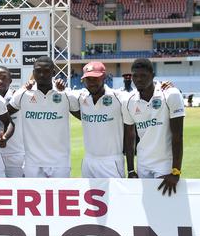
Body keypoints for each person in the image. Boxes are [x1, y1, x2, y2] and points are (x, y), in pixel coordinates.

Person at [8, 56, 79, 178]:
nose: (41, 74)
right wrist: (6, 133)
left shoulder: (65, 94)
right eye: (38, 71)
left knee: (59, 196)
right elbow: (4, 114)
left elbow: (85, 116)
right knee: (33, 197)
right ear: (33, 73)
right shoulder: (23, 93)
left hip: (60, 163)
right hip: (32, 163)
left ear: (53, 73)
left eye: (46, 71)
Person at [123, 58, 185, 195]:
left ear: (152, 75)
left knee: (164, 207)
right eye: (135, 76)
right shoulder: (128, 101)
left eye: (143, 75)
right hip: (143, 163)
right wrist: (131, 170)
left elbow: (178, 135)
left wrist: (176, 171)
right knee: (147, 209)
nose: (138, 79)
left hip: (164, 164)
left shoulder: (170, 95)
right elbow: (129, 137)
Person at [74, 62, 129, 178]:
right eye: (88, 79)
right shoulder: (81, 97)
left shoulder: (119, 97)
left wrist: (161, 86)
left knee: (115, 196)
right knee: (89, 196)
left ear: (104, 77)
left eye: (95, 78)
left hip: (111, 161)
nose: (91, 83)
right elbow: (63, 95)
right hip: (88, 161)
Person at [0, 66, 25, 178]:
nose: (0, 81)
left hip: (16, 155)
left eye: (4, 78)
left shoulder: (19, 97)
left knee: (17, 192)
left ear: (10, 80)